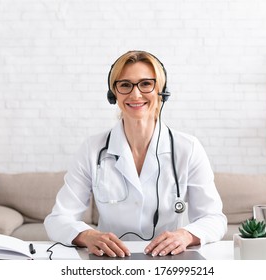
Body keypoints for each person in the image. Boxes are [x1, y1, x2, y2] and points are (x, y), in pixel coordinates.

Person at [44, 50, 227, 258]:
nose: (135, 94)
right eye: (125, 85)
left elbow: (214, 219)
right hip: (110, 264)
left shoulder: (188, 148)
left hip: (168, 262)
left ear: (161, 91)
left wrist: (186, 235)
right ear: (113, 94)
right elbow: (57, 219)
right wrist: (87, 235)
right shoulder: (92, 149)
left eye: (146, 84)